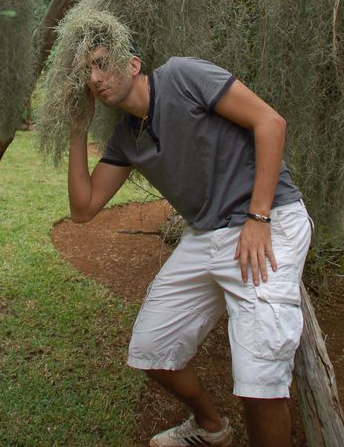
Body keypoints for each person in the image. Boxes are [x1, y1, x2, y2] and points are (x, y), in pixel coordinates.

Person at [67, 41, 312, 447]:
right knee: (151, 348)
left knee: (259, 380)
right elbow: (83, 208)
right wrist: (76, 129)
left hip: (266, 223)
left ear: (132, 63)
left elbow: (270, 122)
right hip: (207, 235)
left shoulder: (182, 76)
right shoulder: (126, 138)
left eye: (101, 64)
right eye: (86, 74)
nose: (94, 78)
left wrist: (258, 215)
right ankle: (210, 426)